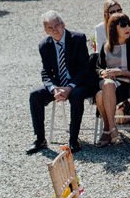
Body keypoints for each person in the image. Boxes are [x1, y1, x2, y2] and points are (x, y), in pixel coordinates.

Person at [29, 12, 101, 154]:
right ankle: (40, 139)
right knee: (35, 95)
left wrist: (69, 87)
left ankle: (73, 139)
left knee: (75, 95)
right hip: (58, 85)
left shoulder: (78, 38)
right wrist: (54, 89)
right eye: (50, 28)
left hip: (79, 83)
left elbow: (84, 69)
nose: (55, 30)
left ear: (63, 24)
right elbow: (46, 72)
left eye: (57, 25)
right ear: (46, 30)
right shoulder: (44, 45)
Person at [92, 12, 130, 146]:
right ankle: (113, 130)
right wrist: (103, 72)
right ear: (113, 28)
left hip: (128, 85)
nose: (128, 28)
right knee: (107, 84)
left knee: (100, 95)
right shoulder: (106, 46)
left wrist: (121, 72)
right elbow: (98, 67)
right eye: (123, 25)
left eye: (129, 24)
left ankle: (108, 130)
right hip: (108, 83)